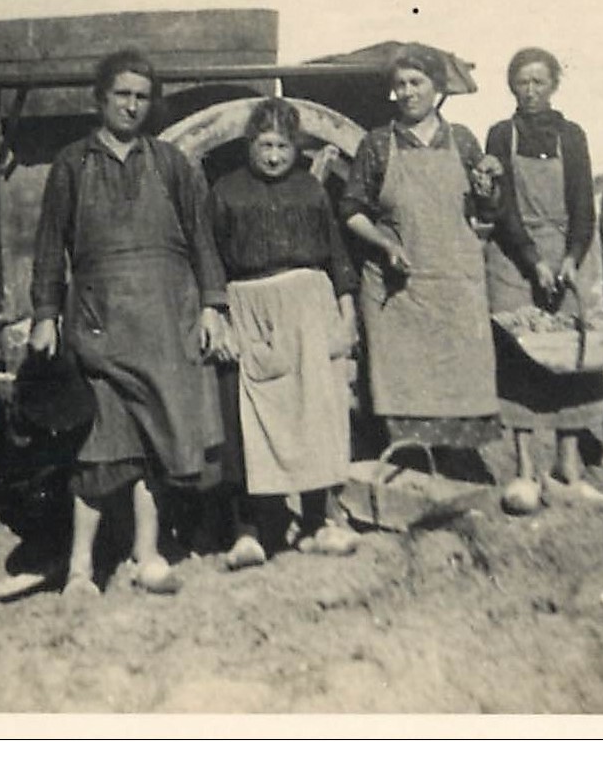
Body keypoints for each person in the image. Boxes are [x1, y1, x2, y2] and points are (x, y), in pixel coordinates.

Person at [28, 49, 229, 597]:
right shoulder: (72, 163)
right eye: (122, 94)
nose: (132, 105)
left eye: (142, 96)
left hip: (166, 321)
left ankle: (148, 554)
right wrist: (45, 315)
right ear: (101, 99)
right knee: (99, 446)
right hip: (100, 322)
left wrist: (212, 304)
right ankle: (79, 570)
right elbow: (50, 245)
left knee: (154, 442)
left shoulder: (171, 163)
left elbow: (201, 238)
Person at [207, 98, 360, 569]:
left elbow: (335, 254)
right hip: (250, 307)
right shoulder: (225, 192)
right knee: (249, 419)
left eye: (283, 146)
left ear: (297, 148)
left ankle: (316, 522)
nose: (273, 156)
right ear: (249, 145)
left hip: (309, 306)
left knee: (314, 412)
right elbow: (209, 255)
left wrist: (347, 312)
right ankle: (249, 531)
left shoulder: (312, 191)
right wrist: (218, 315)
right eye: (264, 145)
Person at [340, 45, 504, 455]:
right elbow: (351, 211)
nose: (408, 92)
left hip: (454, 284)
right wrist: (385, 243)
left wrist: (489, 187)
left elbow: (487, 210)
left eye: (417, 83)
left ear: (437, 88)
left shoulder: (463, 140)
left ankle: (457, 472)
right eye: (400, 85)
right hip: (400, 291)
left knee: (460, 383)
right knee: (404, 387)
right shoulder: (379, 144)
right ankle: (411, 474)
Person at [485, 46, 603, 510]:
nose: (531, 91)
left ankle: (568, 469)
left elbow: (584, 207)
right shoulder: (501, 135)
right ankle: (524, 471)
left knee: (574, 357)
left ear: (554, 84)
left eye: (539, 82)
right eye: (522, 82)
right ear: (512, 87)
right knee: (521, 357)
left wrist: (572, 257)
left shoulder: (572, 136)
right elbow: (503, 206)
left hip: (566, 253)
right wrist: (533, 258)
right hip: (515, 256)